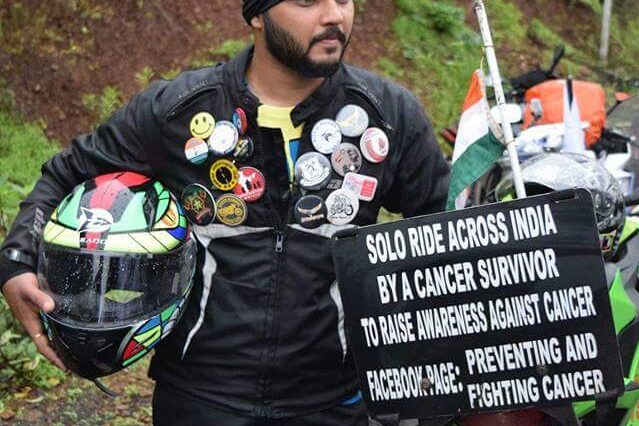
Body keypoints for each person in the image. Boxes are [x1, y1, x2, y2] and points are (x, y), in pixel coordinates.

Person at [0, 0, 450, 425]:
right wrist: (16, 262)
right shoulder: (179, 111)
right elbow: (66, 175)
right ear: (257, 15)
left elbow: (450, 223)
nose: (334, 15)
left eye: (344, 0)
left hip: (335, 399)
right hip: (199, 397)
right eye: (307, 1)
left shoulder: (387, 116)